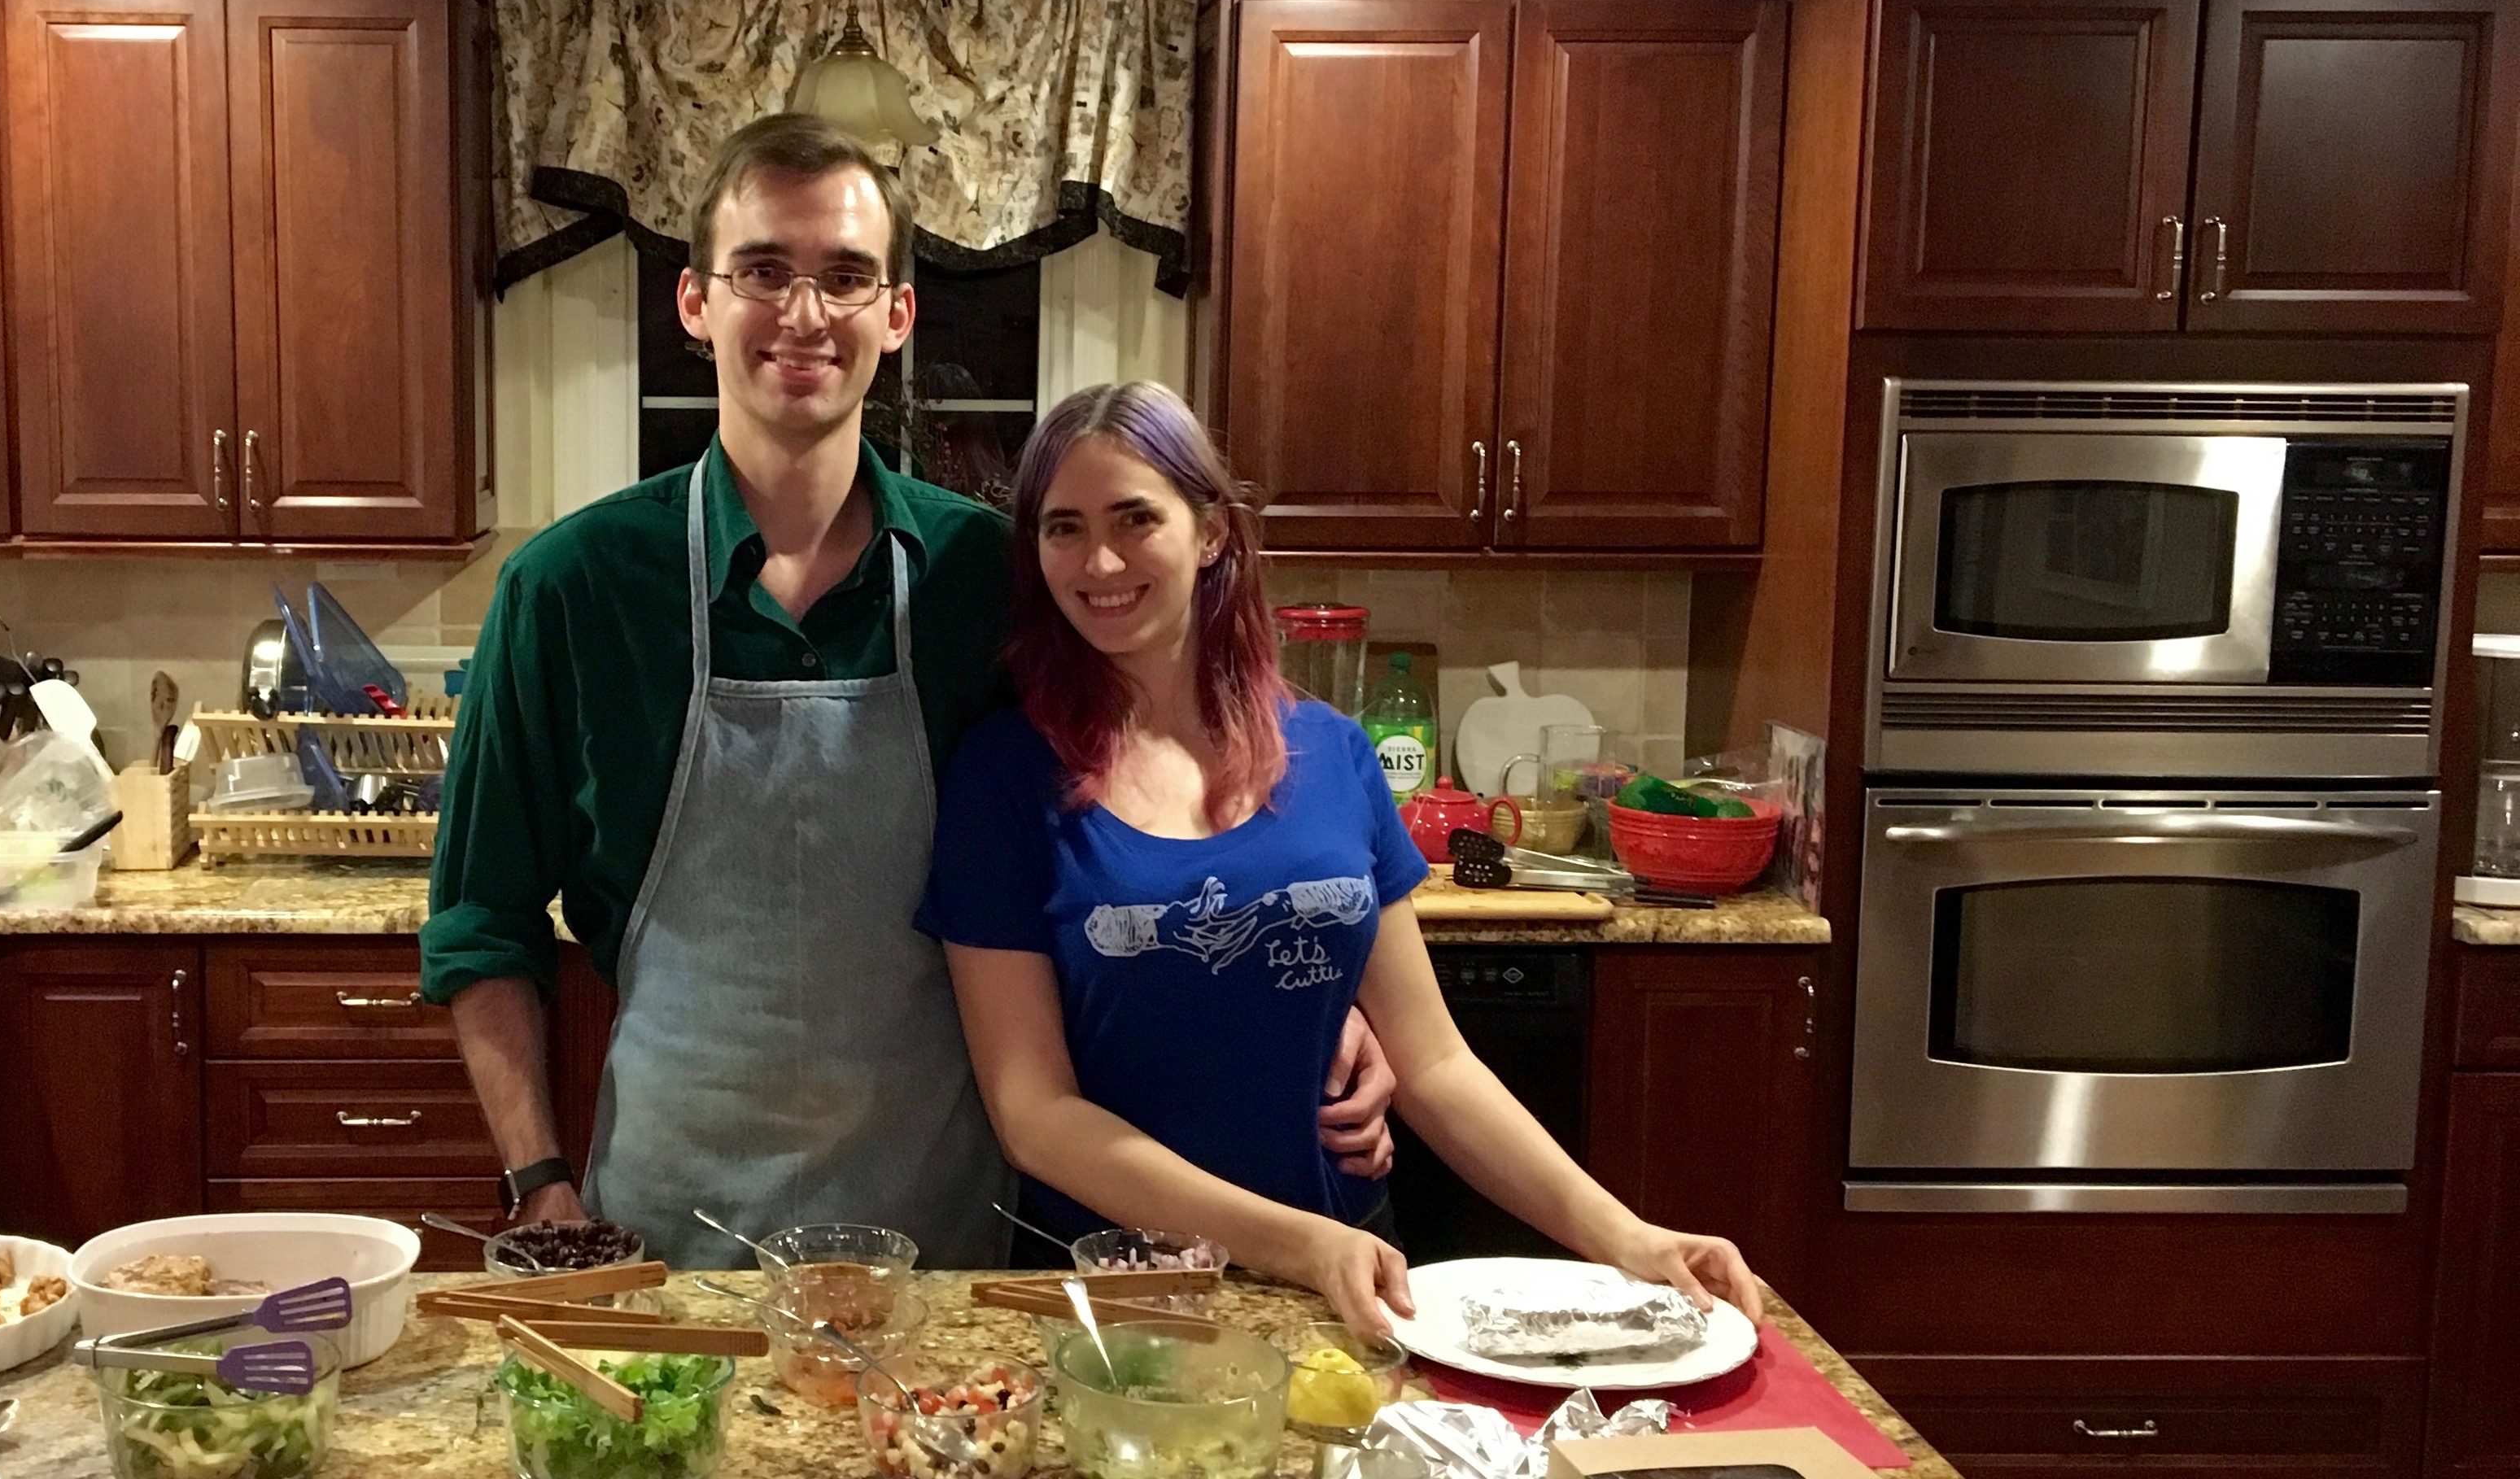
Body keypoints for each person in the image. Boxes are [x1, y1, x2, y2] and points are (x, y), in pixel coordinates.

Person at [423, 117, 1395, 1268]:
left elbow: (1149, 805)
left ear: (898, 314)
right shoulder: (572, 590)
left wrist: (1309, 999)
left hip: (941, 1234)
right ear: (695, 304)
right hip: (668, 1224)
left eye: (845, 278)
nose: (804, 315)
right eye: (764, 273)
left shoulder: (990, 576)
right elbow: (481, 921)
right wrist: (540, 1178)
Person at [919, 381, 1763, 1336]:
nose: (1099, 560)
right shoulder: (1004, 776)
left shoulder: (1331, 752)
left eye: (1134, 518)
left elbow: (1435, 1061)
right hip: (1122, 1298)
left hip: (1347, 1270)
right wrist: (1295, 1243)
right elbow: (1036, 1115)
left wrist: (1626, 1237)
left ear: (1212, 533)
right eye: (1062, 528)